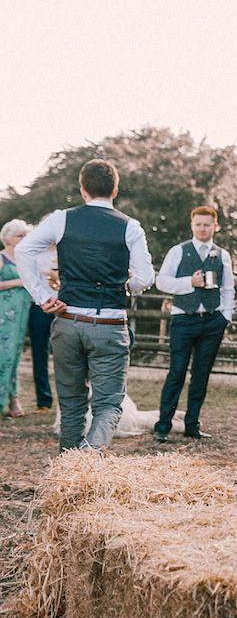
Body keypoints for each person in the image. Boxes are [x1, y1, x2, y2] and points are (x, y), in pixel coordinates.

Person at [15, 159, 155, 452]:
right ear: (115, 189)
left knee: (71, 404)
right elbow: (144, 277)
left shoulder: (61, 219)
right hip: (109, 324)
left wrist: (42, 297)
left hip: (67, 320)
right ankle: (87, 463)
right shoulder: (130, 226)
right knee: (108, 405)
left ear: (83, 190)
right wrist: (128, 286)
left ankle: (70, 469)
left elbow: (23, 250)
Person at [153, 205, 234, 442]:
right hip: (183, 319)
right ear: (192, 225)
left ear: (215, 226)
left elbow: (228, 288)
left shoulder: (223, 255)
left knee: (201, 375)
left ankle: (192, 424)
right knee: (176, 372)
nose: (202, 228)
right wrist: (190, 282)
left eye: (207, 224)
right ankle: (163, 426)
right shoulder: (178, 251)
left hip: (212, 322)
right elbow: (162, 282)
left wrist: (224, 317)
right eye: (198, 224)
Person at [0, 220, 35, 418]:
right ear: (8, 239)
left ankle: (13, 398)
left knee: (14, 356)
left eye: (25, 235)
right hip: (3, 314)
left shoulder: (26, 258)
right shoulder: (2, 258)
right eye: (20, 235)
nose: (24, 239)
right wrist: (18, 282)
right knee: (3, 355)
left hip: (22, 314)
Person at [25, 229, 58, 412]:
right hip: (39, 307)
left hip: (64, 306)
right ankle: (44, 400)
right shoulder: (34, 254)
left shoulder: (67, 251)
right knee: (40, 353)